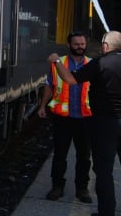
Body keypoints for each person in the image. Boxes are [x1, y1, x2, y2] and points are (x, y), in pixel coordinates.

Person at [48, 30, 121, 216]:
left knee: (104, 170)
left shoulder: (99, 64)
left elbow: (69, 80)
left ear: (105, 45)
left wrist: (56, 62)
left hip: (106, 124)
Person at [37, 31, 92, 204]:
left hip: (85, 117)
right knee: (60, 154)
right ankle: (57, 187)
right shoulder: (58, 63)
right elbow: (49, 86)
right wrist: (42, 106)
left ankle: (82, 189)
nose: (80, 47)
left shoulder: (92, 64)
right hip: (63, 117)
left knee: (84, 156)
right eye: (76, 44)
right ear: (69, 45)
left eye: (82, 44)